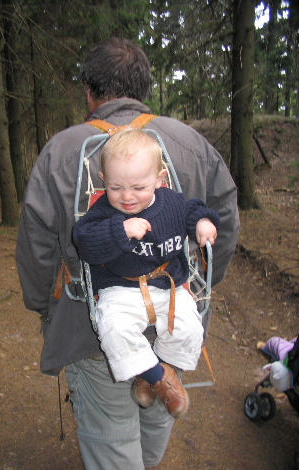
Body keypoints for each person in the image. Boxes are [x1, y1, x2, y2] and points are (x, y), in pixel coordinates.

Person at [16, 38, 240, 470]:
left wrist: (46, 308)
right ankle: (150, 464)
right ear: (142, 88)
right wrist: (200, 289)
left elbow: (37, 247)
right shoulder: (190, 143)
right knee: (160, 404)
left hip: (91, 319)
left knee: (110, 434)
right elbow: (225, 225)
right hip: (172, 309)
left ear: (90, 92)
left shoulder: (61, 152)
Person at [73, 128, 220, 418]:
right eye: (116, 188)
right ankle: (159, 378)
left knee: (190, 328)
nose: (127, 197)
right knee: (114, 329)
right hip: (121, 287)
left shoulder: (171, 203)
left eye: (138, 188)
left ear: (159, 180)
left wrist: (202, 222)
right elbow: (84, 240)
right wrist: (121, 230)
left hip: (169, 286)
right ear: (104, 182)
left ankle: (149, 375)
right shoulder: (104, 212)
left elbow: (193, 210)